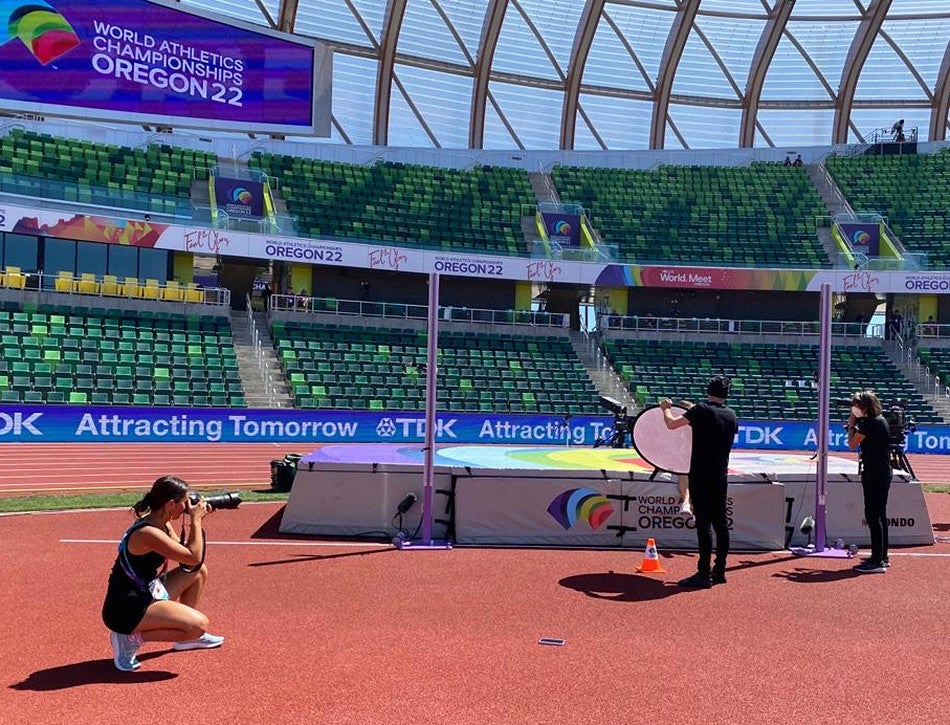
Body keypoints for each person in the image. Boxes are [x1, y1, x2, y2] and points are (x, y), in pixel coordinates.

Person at [101, 476, 224, 672]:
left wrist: (196, 522)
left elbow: (188, 562)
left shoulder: (162, 523)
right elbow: (193, 556)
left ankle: (186, 639)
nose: (187, 507)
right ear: (170, 504)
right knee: (199, 625)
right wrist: (196, 521)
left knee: (199, 571)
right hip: (125, 609)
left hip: (145, 590)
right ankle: (129, 637)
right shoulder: (148, 533)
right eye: (185, 503)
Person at [660, 375, 738, 588]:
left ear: (708, 390)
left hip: (701, 475)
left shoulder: (701, 410)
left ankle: (703, 574)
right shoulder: (731, 415)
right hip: (721, 476)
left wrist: (665, 408)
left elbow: (671, 425)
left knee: (703, 524)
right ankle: (719, 571)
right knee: (721, 525)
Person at [846, 390, 893, 573]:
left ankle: (877, 561)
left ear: (864, 407)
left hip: (874, 473)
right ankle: (882, 555)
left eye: (856, 405)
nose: (854, 409)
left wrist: (851, 425)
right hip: (881, 472)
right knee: (880, 514)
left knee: (873, 515)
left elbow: (852, 444)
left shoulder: (869, 424)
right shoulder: (880, 420)